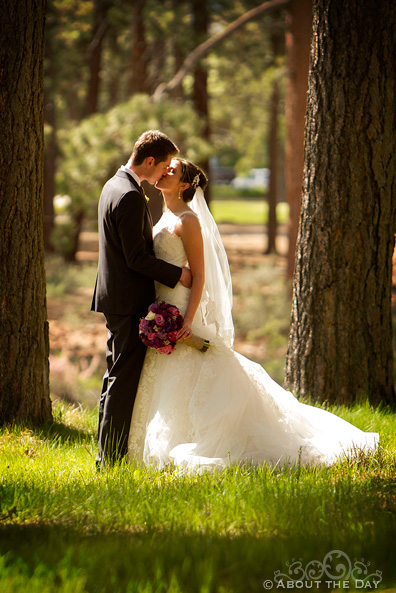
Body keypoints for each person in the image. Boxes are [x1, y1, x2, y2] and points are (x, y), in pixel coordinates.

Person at [128, 157, 378, 473]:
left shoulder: (188, 220)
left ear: (185, 184)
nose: (164, 172)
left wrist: (188, 320)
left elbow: (201, 276)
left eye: (172, 171)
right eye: (164, 168)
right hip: (161, 309)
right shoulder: (164, 215)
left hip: (181, 312)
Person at [91, 131, 192, 468]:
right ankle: (112, 460)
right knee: (122, 378)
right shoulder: (131, 195)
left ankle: (106, 454)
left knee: (113, 375)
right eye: (163, 165)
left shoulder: (113, 185)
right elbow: (136, 258)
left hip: (113, 297)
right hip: (128, 299)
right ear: (150, 161)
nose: (165, 172)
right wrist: (179, 276)